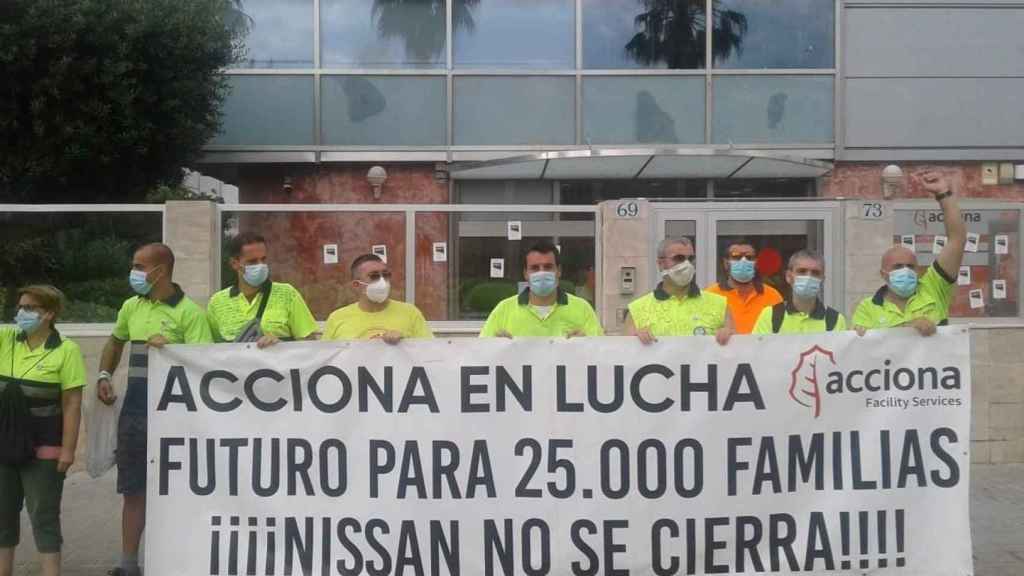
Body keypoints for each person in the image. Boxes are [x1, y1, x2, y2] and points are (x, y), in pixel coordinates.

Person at [95, 244, 212, 576]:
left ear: (160, 271)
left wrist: (173, 350)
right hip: (135, 411)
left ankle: (181, 562)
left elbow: (205, 364)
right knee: (133, 488)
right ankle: (128, 564)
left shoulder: (190, 312)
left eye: (138, 266)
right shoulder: (131, 305)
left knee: (179, 490)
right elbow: (115, 341)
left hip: (178, 417)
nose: (133, 273)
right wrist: (104, 373)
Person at [0, 286, 85, 576]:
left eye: (29, 308)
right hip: (3, 445)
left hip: (45, 448)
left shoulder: (67, 350)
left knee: (43, 516)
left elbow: (72, 403)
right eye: (20, 306)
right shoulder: (5, 339)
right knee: (2, 515)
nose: (20, 313)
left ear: (49, 313)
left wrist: (69, 450)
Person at [853, 172, 965, 336]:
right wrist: (910, 326)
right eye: (898, 266)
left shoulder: (934, 288)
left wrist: (944, 194)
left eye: (910, 266)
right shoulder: (867, 308)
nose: (905, 271)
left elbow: (957, 239)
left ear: (919, 271)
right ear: (883, 274)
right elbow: (864, 350)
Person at [206, 233, 319, 346]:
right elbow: (213, 350)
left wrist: (282, 347)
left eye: (263, 259)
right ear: (235, 264)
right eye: (252, 261)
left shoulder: (287, 294)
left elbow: (310, 344)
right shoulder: (217, 302)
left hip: (280, 363)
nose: (261, 265)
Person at [480, 240, 603, 338]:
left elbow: (601, 356)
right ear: (525, 273)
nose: (542, 272)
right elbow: (480, 355)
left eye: (548, 267)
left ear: (559, 271)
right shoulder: (503, 310)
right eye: (535, 268)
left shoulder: (582, 309)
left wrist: (587, 345)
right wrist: (495, 348)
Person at [626, 237, 733, 345]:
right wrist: (634, 340)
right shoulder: (637, 309)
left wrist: (730, 336)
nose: (686, 264)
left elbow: (735, 352)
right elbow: (626, 354)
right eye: (679, 258)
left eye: (690, 259)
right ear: (660, 264)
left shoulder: (719, 305)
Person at [323, 254, 433, 342]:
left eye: (386, 275)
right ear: (356, 285)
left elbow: (429, 353)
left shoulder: (410, 313)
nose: (382, 281)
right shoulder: (337, 318)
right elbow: (325, 358)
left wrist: (405, 343)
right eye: (374, 276)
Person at [753, 249, 847, 334]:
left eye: (815, 273)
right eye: (802, 271)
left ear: (822, 279)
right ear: (789, 277)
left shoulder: (835, 320)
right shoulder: (770, 316)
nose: (808, 277)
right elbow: (758, 351)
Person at [707, 238, 784, 334]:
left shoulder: (773, 296)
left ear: (756, 262)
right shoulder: (711, 295)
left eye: (749, 257)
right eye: (736, 257)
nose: (743, 261)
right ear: (726, 263)